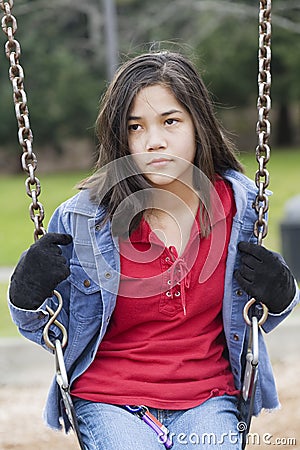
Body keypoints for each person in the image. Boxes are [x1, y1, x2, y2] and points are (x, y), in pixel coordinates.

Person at [8, 51, 299, 450]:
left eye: (170, 121)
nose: (154, 141)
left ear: (198, 124)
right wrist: (26, 295)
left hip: (208, 395)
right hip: (108, 398)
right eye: (135, 127)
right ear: (121, 137)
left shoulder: (241, 205)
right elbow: (47, 327)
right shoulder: (84, 220)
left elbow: (252, 316)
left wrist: (280, 293)